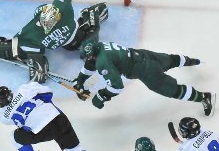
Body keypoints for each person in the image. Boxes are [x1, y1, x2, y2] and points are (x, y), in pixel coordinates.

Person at [73, 40, 216, 116]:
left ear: (93, 54)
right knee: (170, 60)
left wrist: (102, 95)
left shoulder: (102, 61)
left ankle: (204, 97)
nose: (87, 60)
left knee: (171, 90)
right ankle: (193, 61)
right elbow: (91, 64)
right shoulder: (101, 46)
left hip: (146, 71)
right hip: (144, 55)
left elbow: (117, 86)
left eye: (88, 57)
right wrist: (80, 79)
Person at [0, 82, 85, 151]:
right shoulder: (24, 89)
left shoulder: (3, 117)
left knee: (14, 137)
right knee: (75, 148)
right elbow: (48, 94)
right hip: (58, 118)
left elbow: (21, 127)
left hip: (40, 131)